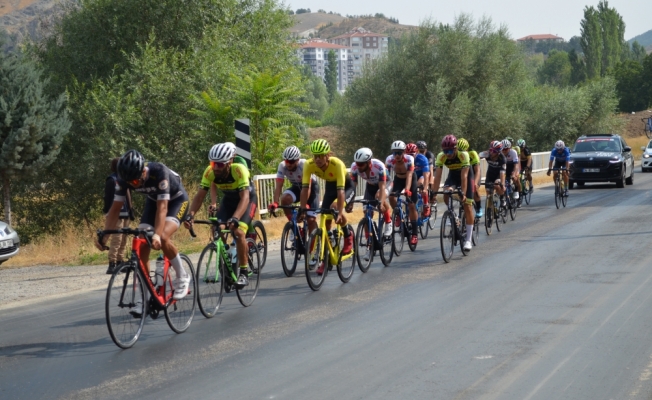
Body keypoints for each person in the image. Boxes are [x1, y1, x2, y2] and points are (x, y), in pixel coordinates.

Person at [95, 150, 191, 316]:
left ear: (143, 172)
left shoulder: (158, 171)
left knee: (162, 237)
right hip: (153, 201)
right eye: (128, 182)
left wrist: (156, 234)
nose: (132, 185)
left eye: (134, 180)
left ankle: (182, 277)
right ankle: (145, 296)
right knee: (141, 242)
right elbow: (115, 209)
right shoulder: (123, 179)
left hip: (176, 200)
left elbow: (163, 208)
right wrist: (105, 235)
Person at [185, 143, 257, 287]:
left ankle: (243, 273)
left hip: (246, 200)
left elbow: (245, 198)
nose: (216, 167)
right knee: (217, 228)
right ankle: (227, 258)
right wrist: (190, 215)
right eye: (213, 163)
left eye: (219, 164)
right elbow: (199, 197)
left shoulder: (239, 170)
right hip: (228, 201)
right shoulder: (209, 172)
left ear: (230, 162)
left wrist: (235, 218)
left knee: (238, 232)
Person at [300, 139, 355, 275]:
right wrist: (302, 208)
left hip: (346, 187)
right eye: (315, 156)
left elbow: (341, 191)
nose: (317, 159)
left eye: (320, 156)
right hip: (330, 188)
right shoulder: (309, 164)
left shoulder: (337, 164)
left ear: (327, 155)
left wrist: (340, 212)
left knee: (335, 208)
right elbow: (305, 188)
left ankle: (348, 236)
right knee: (325, 219)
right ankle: (326, 258)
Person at [431, 135, 475, 252]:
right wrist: (434, 194)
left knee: (467, 206)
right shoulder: (441, 157)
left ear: (455, 149)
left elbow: (464, 176)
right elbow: (438, 177)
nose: (448, 153)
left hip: (465, 176)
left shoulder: (463, 155)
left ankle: (468, 240)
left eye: (450, 150)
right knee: (446, 193)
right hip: (453, 176)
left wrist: (463, 194)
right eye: (445, 151)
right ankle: (454, 217)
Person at [268, 145, 320, 242]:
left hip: (311, 189)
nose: (288, 164)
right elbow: (278, 186)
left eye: (291, 162)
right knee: (284, 199)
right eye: (286, 161)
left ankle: (314, 248)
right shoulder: (282, 166)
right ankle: (293, 226)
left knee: (311, 220)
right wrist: (275, 202)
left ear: (298, 160)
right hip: (297, 187)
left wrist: (303, 206)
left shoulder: (304, 164)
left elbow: (307, 188)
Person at [349, 147, 392, 260]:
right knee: (366, 213)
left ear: (369, 162)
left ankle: (388, 222)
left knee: (379, 198)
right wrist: (350, 202)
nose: (358, 166)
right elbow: (353, 186)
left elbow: (382, 187)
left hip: (385, 184)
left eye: (361, 164)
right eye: (357, 164)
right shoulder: (355, 167)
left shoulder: (379, 166)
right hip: (370, 186)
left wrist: (381, 202)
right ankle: (370, 245)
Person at [385, 140, 419, 247]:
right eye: (395, 153)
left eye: (399, 152)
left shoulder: (409, 159)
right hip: (398, 180)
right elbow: (386, 176)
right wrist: (385, 188)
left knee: (411, 205)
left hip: (410, 179)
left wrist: (407, 190)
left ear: (404, 152)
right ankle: (398, 215)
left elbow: (409, 175)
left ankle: (414, 233)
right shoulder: (389, 160)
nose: (397, 155)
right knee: (391, 196)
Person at [103, 157, 133, 274]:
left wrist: (131, 211)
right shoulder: (111, 179)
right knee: (117, 238)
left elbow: (129, 195)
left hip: (126, 213)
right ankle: (112, 264)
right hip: (116, 214)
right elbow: (108, 197)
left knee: (124, 238)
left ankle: (121, 261)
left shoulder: (125, 179)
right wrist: (107, 212)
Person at [457, 138, 483, 217]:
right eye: (460, 150)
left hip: (474, 173)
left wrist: (475, 183)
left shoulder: (473, 154)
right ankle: (460, 214)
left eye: (463, 150)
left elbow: (477, 170)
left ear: (467, 149)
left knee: (474, 188)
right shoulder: (457, 155)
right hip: (463, 173)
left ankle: (478, 207)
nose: (462, 152)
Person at [405, 143, 431, 216]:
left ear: (417, 152)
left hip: (421, 175)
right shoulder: (405, 159)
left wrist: (425, 188)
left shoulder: (422, 158)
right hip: (412, 176)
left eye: (412, 155)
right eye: (408, 155)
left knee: (420, 184)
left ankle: (426, 205)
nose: (410, 157)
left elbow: (426, 175)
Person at [479, 141, 507, 206]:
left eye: (494, 151)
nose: (491, 152)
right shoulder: (487, 154)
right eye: (491, 150)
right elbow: (476, 157)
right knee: (488, 192)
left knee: (497, 185)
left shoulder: (502, 159)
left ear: (498, 152)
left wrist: (502, 185)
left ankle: (502, 197)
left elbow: (502, 173)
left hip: (499, 174)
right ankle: (490, 209)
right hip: (490, 173)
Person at [416, 140, 435, 205]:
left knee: (427, 182)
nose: (420, 153)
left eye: (422, 151)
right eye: (419, 151)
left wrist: (431, 180)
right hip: (417, 173)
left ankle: (432, 198)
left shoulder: (429, 155)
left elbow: (431, 169)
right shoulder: (414, 156)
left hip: (427, 172)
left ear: (425, 150)